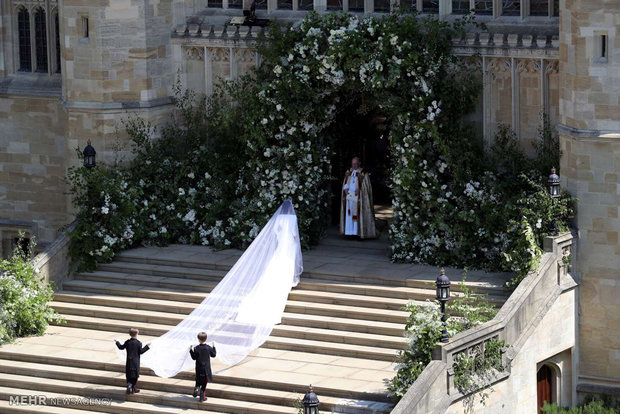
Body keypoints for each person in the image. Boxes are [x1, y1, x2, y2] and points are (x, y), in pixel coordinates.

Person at [340, 157, 377, 239]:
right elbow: (345, 182)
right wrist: (345, 189)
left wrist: (360, 190)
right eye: (353, 164)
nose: (354, 166)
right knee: (349, 214)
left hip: (359, 198)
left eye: (356, 164)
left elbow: (366, 187)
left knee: (357, 214)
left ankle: (358, 233)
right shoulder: (349, 172)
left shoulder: (363, 173)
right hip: (349, 197)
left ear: (359, 163)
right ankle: (349, 233)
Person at [115, 328, 150, 394]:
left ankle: (130, 386)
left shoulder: (127, 342)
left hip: (129, 361)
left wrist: (117, 342)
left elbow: (120, 347)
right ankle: (132, 387)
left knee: (129, 374)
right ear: (136, 334)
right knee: (135, 375)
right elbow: (141, 351)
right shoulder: (139, 343)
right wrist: (147, 346)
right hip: (135, 362)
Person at [189, 332, 217, 402]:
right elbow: (213, 355)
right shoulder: (208, 348)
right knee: (204, 385)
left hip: (199, 368)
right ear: (206, 339)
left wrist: (190, 350)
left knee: (198, 381)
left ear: (198, 339)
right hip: (206, 370)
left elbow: (194, 357)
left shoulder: (196, 348)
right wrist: (214, 346)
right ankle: (202, 398)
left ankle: (196, 388)